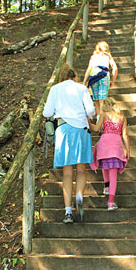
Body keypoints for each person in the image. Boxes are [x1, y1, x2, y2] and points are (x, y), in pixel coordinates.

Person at [43, 63, 95, 224]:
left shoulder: (55, 89)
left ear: (61, 76)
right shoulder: (81, 89)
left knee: (67, 173)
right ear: (74, 76)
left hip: (64, 130)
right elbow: (91, 110)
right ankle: (79, 196)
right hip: (81, 130)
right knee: (81, 169)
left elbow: (47, 113)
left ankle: (67, 212)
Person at [89, 97, 130, 211]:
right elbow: (125, 135)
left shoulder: (104, 115)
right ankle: (110, 202)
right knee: (114, 174)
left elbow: (96, 128)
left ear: (105, 106)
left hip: (104, 145)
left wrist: (88, 122)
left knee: (105, 164)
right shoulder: (122, 118)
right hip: (116, 146)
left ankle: (107, 186)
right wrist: (128, 150)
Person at [83, 41, 118, 117]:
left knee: (96, 101)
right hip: (103, 78)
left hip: (94, 78)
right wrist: (113, 81)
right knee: (103, 101)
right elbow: (115, 69)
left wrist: (84, 81)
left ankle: (99, 120)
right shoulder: (108, 57)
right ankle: (103, 122)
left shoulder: (93, 57)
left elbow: (89, 69)